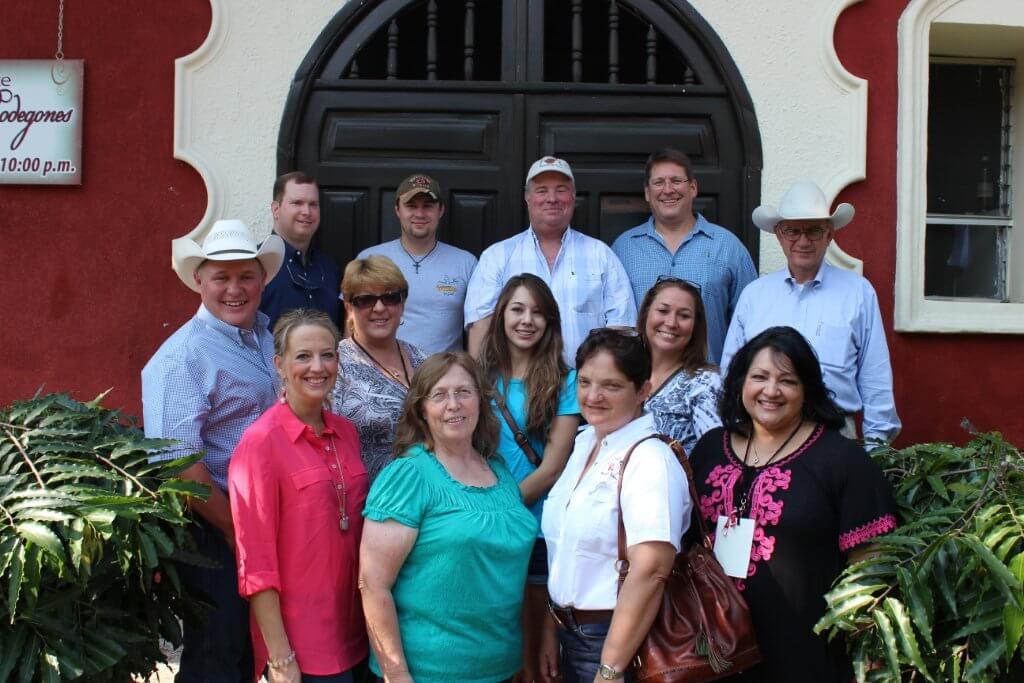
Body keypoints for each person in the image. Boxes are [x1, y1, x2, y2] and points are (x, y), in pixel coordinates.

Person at [690, 326, 898, 682]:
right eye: (759, 377)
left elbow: (871, 567)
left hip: (804, 656)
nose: (771, 391)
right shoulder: (710, 449)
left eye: (787, 380)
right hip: (712, 651)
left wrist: (868, 651)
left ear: (807, 390)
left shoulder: (842, 460)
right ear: (740, 382)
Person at [142, 218, 285, 682]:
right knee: (216, 653)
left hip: (263, 520)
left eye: (246, 276)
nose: (234, 289)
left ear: (262, 280)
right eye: (221, 277)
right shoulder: (182, 356)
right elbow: (176, 462)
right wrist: (233, 529)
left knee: (247, 650)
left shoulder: (264, 336)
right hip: (214, 526)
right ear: (199, 281)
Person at [359, 352, 538, 683]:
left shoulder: (498, 470)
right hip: (429, 672)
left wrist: (525, 653)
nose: (453, 404)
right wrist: (396, 673)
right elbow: (373, 584)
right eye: (439, 395)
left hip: (502, 666)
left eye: (463, 392)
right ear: (421, 410)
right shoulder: (408, 476)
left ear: (480, 401)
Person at [541, 328, 690, 683]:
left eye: (611, 385)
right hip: (570, 633)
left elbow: (651, 570)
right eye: (585, 382)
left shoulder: (650, 459)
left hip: (616, 641)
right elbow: (565, 551)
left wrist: (609, 669)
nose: (593, 396)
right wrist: (551, 627)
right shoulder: (585, 443)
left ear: (642, 390)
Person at [229, 309, 368, 682]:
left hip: (357, 631)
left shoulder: (347, 433)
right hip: (302, 645)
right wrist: (280, 657)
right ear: (279, 364)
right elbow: (255, 563)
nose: (317, 367)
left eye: (327, 355)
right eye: (303, 356)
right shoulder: (260, 444)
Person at [720, 181, 901, 445]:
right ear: (779, 235)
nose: (803, 241)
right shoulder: (754, 295)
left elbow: (875, 376)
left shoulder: (858, 292)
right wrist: (738, 436)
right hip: (763, 434)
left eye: (814, 231)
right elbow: (731, 373)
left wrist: (876, 446)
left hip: (834, 433)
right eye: (793, 231)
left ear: (829, 235)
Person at [477, 274, 581, 682]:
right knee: (496, 641)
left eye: (537, 312)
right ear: (502, 315)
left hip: (534, 527)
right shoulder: (479, 378)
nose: (527, 320)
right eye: (517, 309)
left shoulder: (565, 381)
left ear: (550, 321)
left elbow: (553, 466)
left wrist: (497, 509)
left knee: (535, 653)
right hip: (485, 528)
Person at [465, 156, 636, 365]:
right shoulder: (496, 257)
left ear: (573, 197)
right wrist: (481, 383)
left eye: (561, 190)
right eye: (542, 190)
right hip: (515, 384)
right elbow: (480, 329)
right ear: (527, 198)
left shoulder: (601, 255)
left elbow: (621, 330)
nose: (552, 198)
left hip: (585, 383)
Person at [612, 148, 756, 363]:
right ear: (647, 192)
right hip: (641, 378)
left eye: (676, 181)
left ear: (693, 187)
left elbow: (751, 321)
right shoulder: (623, 249)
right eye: (658, 182)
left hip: (709, 377)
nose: (668, 190)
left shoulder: (728, 247)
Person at [358, 173, 477, 353]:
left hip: (444, 370)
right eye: (411, 206)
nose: (420, 214)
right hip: (382, 368)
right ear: (397, 210)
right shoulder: (370, 259)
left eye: (428, 206)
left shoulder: (466, 263)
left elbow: (479, 328)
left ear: (441, 210)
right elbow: (352, 321)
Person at [332, 255, 426, 482]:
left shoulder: (424, 359)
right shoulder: (332, 365)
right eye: (366, 300)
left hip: (429, 490)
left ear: (402, 304)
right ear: (349, 307)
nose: (380, 308)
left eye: (390, 297)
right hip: (366, 495)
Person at [638, 276, 723, 455]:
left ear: (695, 326)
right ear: (646, 314)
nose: (671, 323)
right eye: (663, 311)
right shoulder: (626, 372)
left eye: (684, 316)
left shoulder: (705, 383)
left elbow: (716, 456)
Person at [260, 171, 342, 328]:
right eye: (297, 203)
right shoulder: (257, 263)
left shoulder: (330, 268)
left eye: (313, 204)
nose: (307, 212)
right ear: (276, 209)